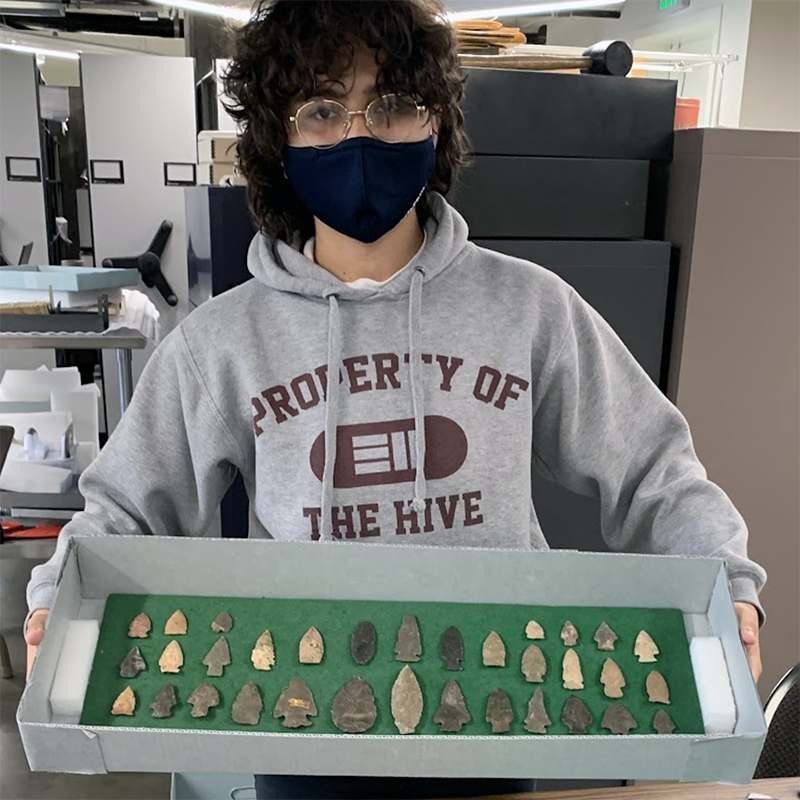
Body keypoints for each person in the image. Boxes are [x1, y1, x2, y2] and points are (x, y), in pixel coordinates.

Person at [25, 0, 765, 797]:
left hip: (499, 718)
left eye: (392, 105)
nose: (358, 135)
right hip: (298, 729)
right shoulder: (222, 341)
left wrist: (725, 581)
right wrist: (53, 602)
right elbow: (125, 510)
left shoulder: (531, 309)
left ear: (434, 122)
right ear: (279, 141)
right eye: (319, 110)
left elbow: (653, 467)